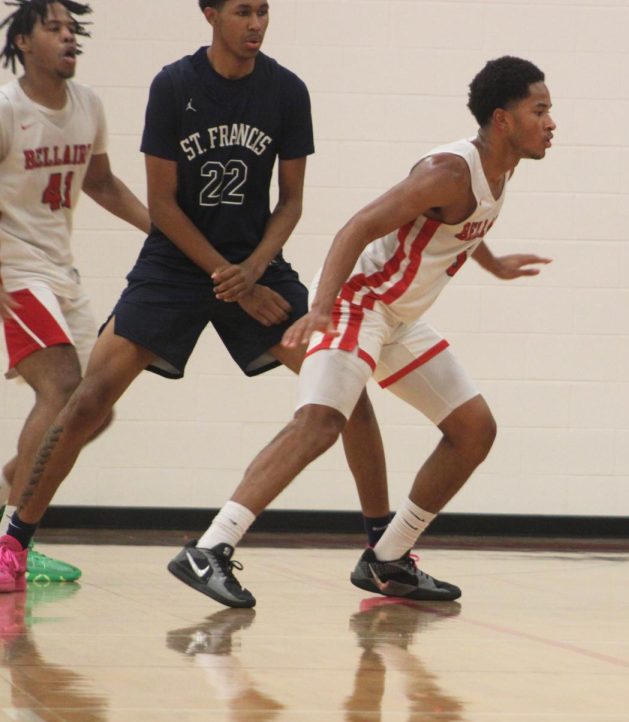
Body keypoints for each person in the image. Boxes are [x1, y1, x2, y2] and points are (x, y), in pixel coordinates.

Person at [0, 0, 391, 601]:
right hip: (177, 266)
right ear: (209, 13)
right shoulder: (174, 85)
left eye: (263, 11)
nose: (256, 24)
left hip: (255, 264)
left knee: (345, 389)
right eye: (243, 12)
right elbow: (163, 202)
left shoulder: (287, 91)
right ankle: (13, 543)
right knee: (88, 399)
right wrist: (226, 277)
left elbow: (290, 201)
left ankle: (384, 547)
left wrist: (256, 267)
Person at [169, 55, 554, 608]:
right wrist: (322, 307)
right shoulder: (447, 170)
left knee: (475, 430)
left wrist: (492, 264)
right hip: (362, 307)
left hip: (399, 321)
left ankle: (388, 559)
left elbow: (462, 221)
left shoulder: (501, 166)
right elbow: (358, 226)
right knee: (320, 423)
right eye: (539, 110)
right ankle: (210, 548)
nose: (551, 122)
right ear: (503, 119)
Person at [0, 0, 150, 589]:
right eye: (54, 28)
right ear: (22, 44)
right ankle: (14, 540)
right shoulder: (7, 108)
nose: (69, 37)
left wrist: (163, 232)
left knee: (96, 407)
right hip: (14, 266)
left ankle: (9, 501)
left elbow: (102, 182)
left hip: (63, 271)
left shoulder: (88, 105)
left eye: (72, 28)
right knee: (62, 389)